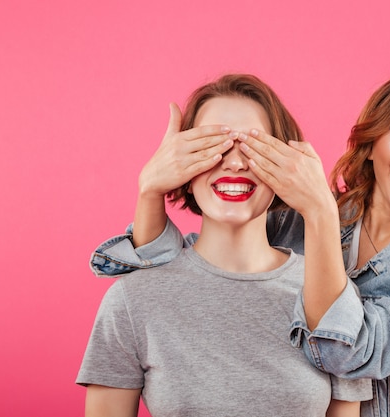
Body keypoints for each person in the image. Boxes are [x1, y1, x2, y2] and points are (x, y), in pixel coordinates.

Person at [89, 68, 390, 416]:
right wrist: (150, 190)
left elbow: (345, 352)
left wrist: (320, 212)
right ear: (370, 144)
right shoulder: (292, 222)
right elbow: (180, 272)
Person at [77, 74, 371, 417]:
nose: (235, 162)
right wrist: (149, 189)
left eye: (254, 147)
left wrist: (320, 207)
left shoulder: (332, 295)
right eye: (212, 146)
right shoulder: (132, 299)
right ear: (180, 164)